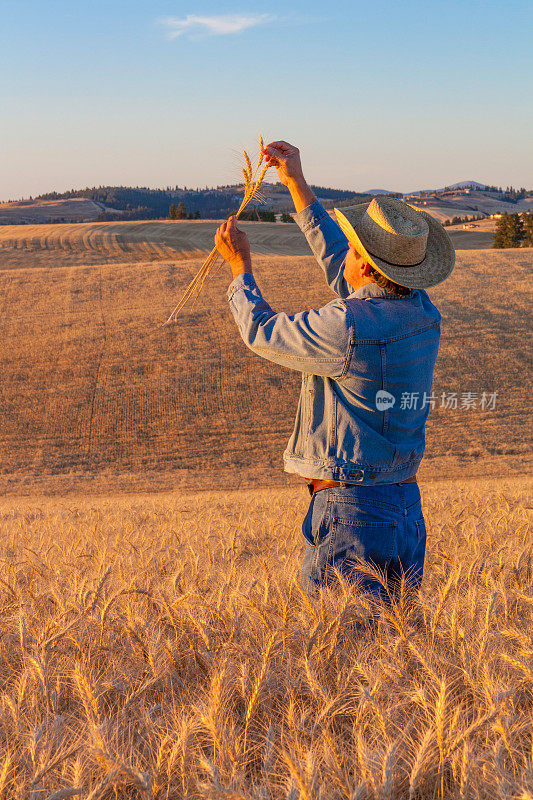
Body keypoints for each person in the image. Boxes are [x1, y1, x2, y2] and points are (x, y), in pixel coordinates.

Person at [214, 140, 455, 600]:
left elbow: (263, 331)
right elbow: (345, 264)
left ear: (364, 263)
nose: (346, 253)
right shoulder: (423, 312)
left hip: (352, 510)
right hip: (405, 506)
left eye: (356, 248)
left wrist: (239, 269)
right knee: (393, 654)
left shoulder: (347, 326)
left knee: (341, 651)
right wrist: (296, 186)